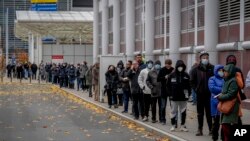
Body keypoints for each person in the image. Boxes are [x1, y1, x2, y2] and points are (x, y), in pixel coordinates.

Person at [190, 51, 214, 136]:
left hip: (209, 95)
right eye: (204, 58)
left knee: (209, 113)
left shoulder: (212, 68)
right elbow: (192, 81)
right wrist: (196, 89)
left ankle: (211, 129)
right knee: (200, 113)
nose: (205, 59)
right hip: (200, 94)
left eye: (207, 57)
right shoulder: (196, 69)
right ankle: (200, 129)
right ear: (200, 58)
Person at [217, 64, 242, 141]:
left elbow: (231, 94)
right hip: (227, 106)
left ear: (230, 72)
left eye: (226, 71)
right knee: (225, 127)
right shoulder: (227, 80)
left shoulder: (233, 81)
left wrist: (221, 97)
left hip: (231, 107)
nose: (224, 73)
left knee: (227, 127)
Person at [167, 60, 191, 132]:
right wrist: (170, 95)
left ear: (183, 67)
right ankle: (173, 125)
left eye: (182, 66)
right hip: (174, 97)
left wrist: (188, 95)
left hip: (183, 98)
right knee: (173, 111)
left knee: (183, 111)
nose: (180, 68)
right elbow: (168, 86)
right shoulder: (172, 75)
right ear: (176, 67)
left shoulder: (186, 75)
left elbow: (189, 86)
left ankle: (183, 125)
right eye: (179, 66)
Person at [208, 65, 224, 141]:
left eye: (222, 70)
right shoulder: (212, 78)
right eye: (219, 70)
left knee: (224, 122)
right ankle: (215, 136)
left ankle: (223, 136)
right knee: (216, 122)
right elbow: (212, 88)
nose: (221, 71)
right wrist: (223, 89)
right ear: (216, 71)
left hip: (224, 102)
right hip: (215, 102)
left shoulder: (225, 78)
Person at [157, 59, 174, 125]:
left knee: (172, 106)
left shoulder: (173, 70)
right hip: (163, 90)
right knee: (163, 106)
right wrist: (164, 77)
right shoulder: (162, 70)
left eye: (169, 64)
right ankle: (163, 119)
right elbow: (158, 79)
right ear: (165, 64)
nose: (168, 66)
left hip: (171, 90)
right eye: (167, 64)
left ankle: (173, 120)